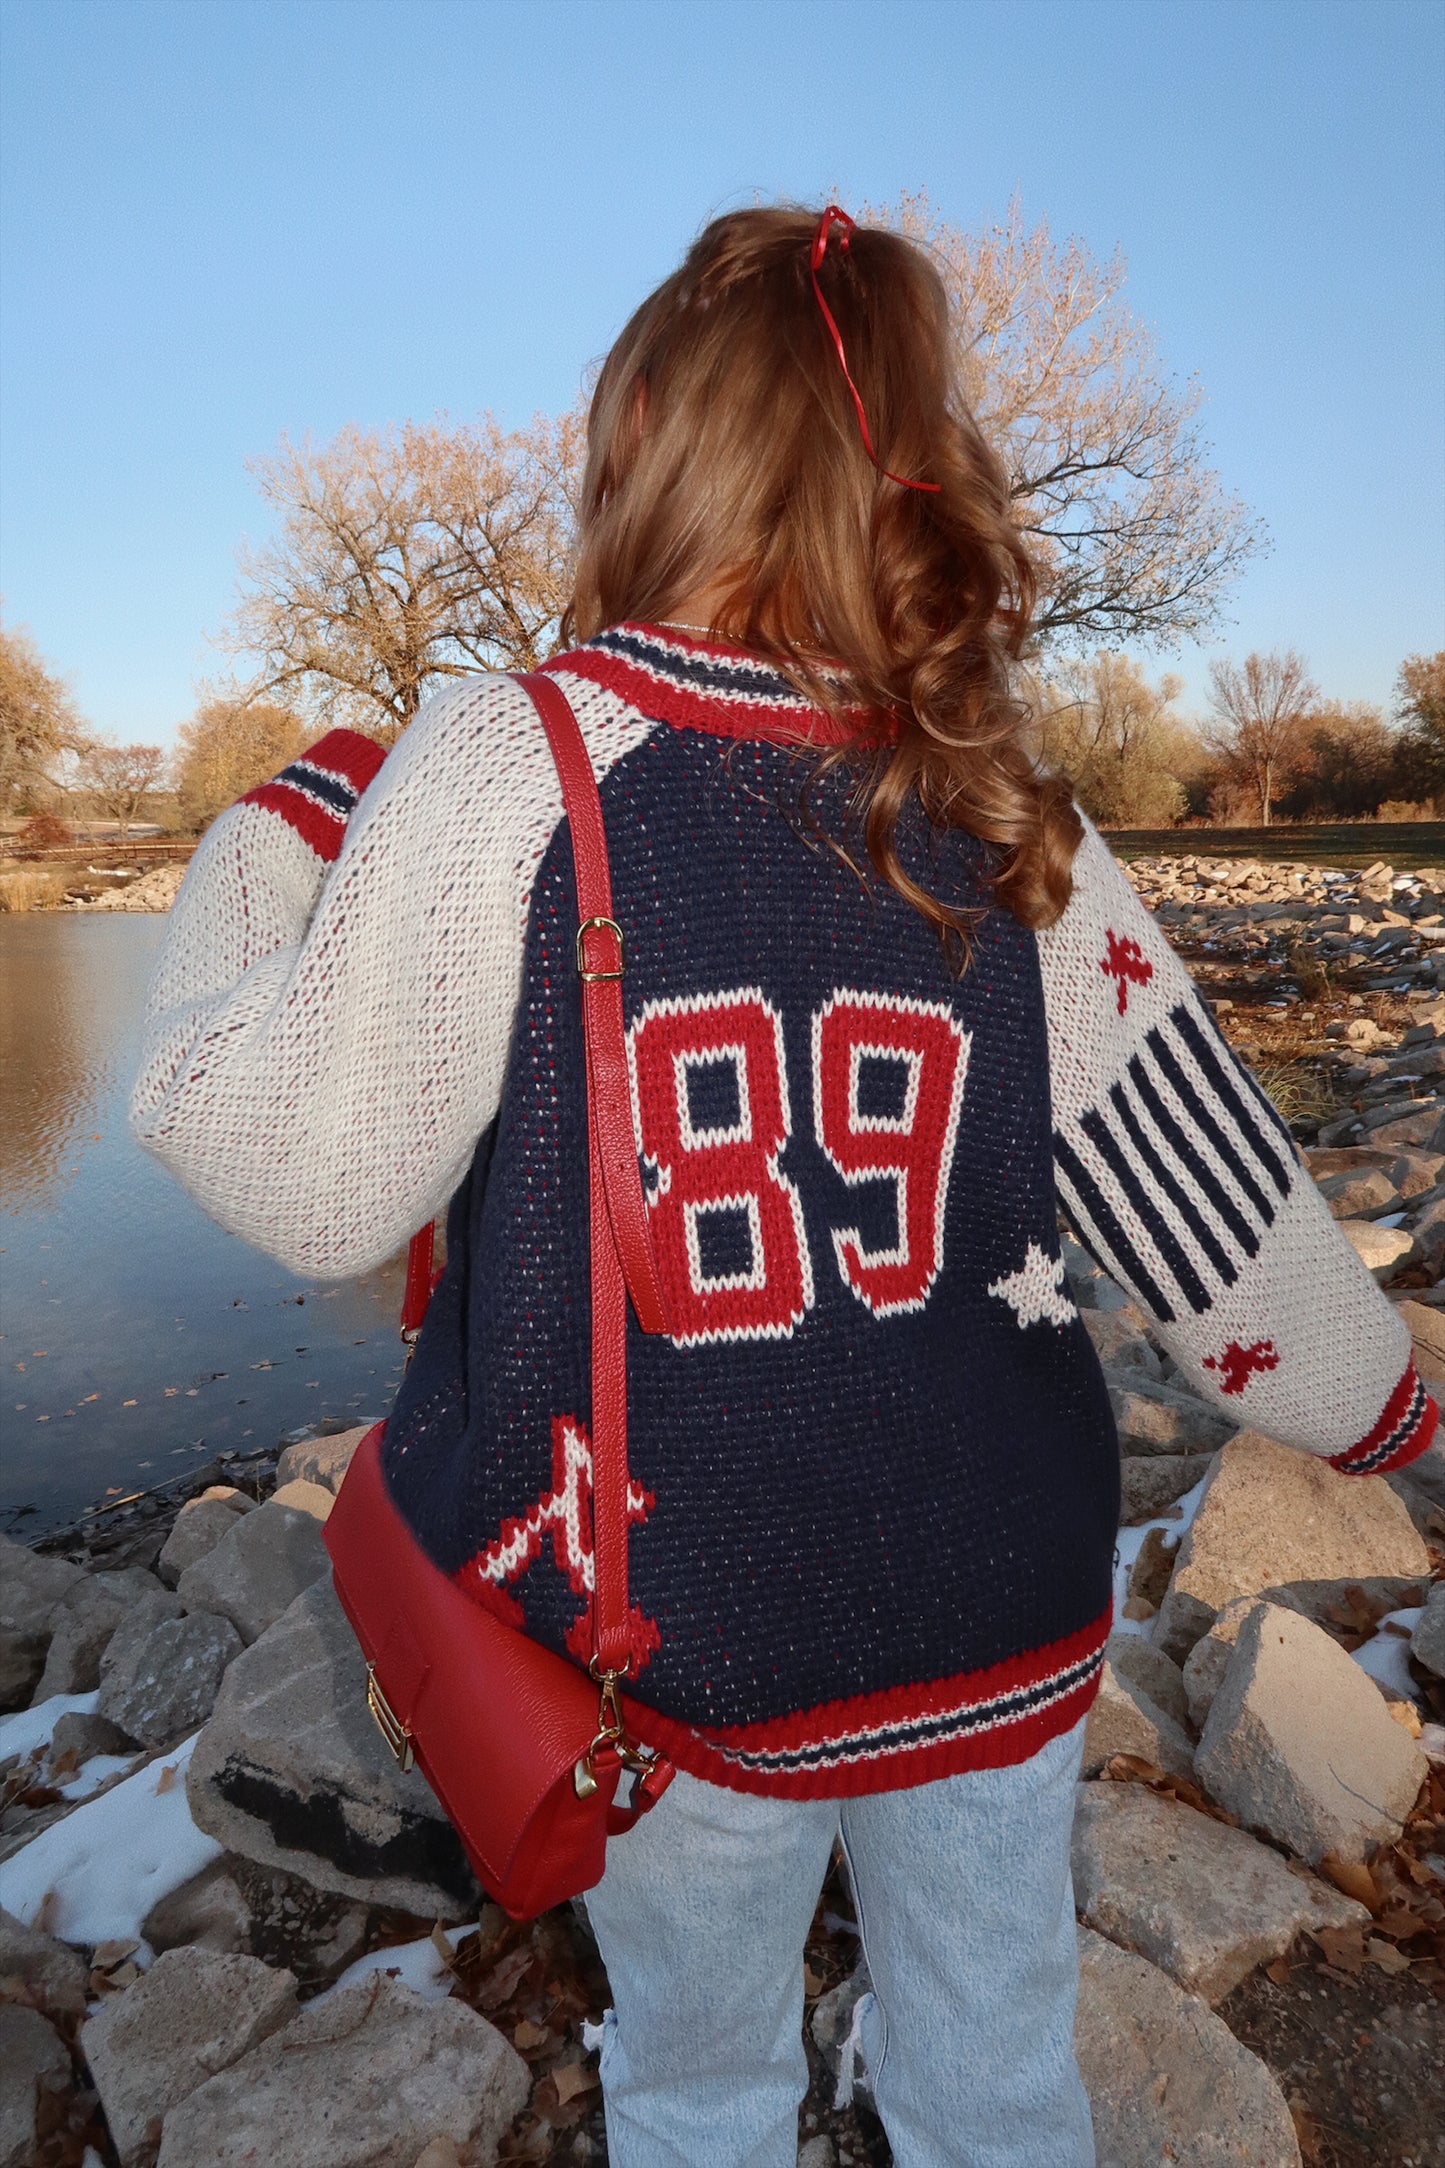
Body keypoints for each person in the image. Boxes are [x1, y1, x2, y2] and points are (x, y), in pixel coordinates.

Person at [132, 205, 1439, 2168]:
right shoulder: (1011, 811)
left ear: (643, 436)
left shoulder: (520, 760)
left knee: (700, 2082)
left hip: (679, 1642)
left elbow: (301, 1169)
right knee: (998, 2073)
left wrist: (284, 828)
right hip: (994, 1613)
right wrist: (1386, 1404)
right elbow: (1221, 1224)